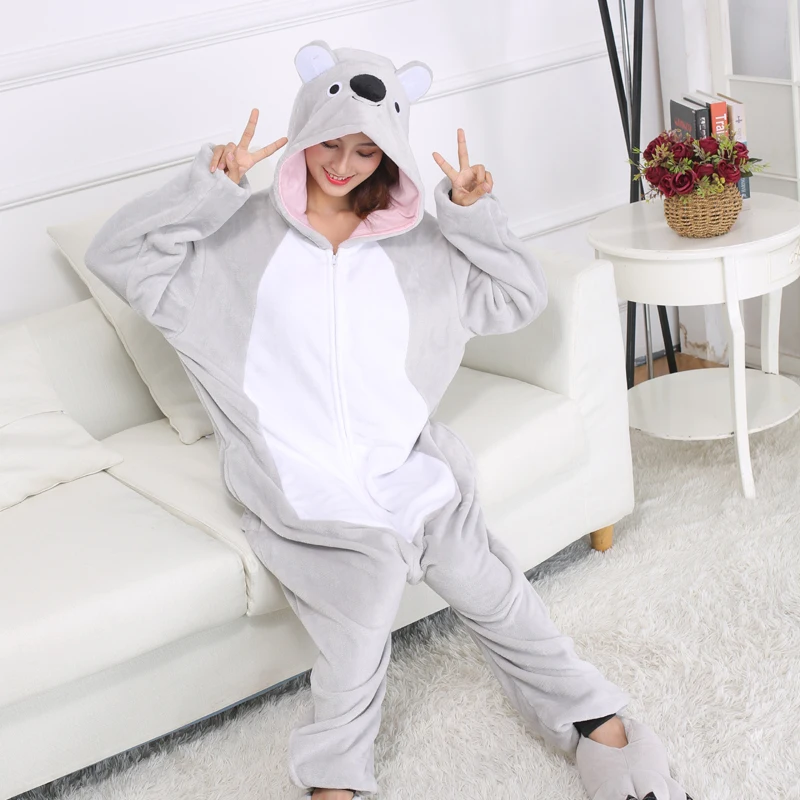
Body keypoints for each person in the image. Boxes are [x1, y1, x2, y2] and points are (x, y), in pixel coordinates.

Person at [84, 40, 692, 800]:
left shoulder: (421, 245)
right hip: (300, 484)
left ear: (391, 153)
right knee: (363, 607)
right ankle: (333, 781)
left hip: (405, 467)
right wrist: (206, 189)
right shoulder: (230, 245)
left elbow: (519, 297)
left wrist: (470, 216)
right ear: (303, 134)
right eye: (328, 144)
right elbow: (116, 256)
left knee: (492, 588)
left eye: (366, 150)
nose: (343, 166)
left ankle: (595, 719)